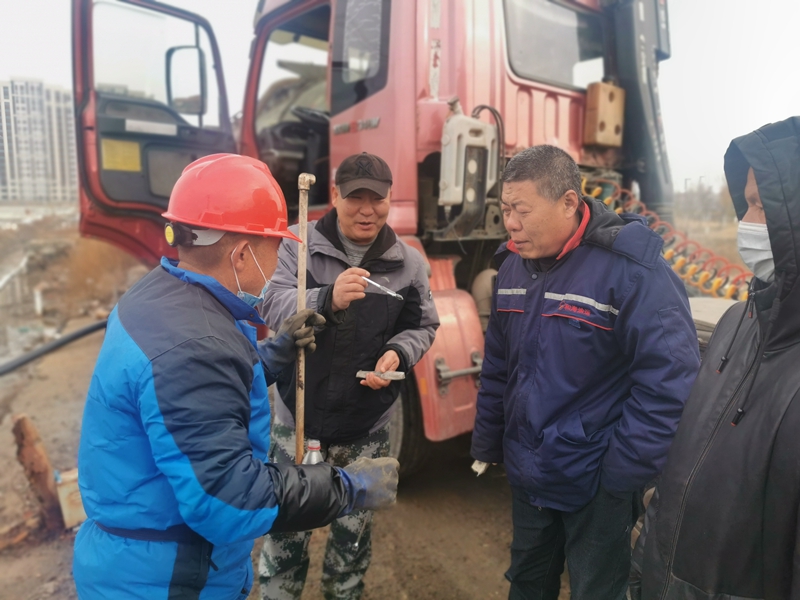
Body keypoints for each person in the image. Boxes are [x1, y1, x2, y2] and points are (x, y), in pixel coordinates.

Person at [73, 154, 399, 600]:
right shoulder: (195, 347)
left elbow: (196, 403)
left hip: (143, 555)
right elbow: (230, 499)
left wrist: (273, 355)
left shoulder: (161, 297)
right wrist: (347, 486)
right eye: (276, 248)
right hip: (167, 578)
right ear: (243, 254)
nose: (279, 261)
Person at [470, 145, 700, 600]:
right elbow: (498, 365)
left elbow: (670, 380)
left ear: (569, 203)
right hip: (528, 470)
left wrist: (620, 474)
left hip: (595, 481)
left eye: (521, 210)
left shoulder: (631, 271)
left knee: (597, 590)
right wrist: (489, 441)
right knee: (527, 582)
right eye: (505, 209)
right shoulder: (512, 267)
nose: (510, 223)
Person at [258, 152, 439, 600]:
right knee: (285, 537)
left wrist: (397, 354)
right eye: (355, 197)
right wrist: (325, 298)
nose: (367, 210)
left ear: (390, 199)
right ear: (335, 196)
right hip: (298, 422)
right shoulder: (298, 244)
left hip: (366, 429)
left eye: (377, 199)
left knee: (351, 546)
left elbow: (422, 326)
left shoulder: (408, 263)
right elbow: (271, 302)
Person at [633, 117, 800, 599]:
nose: (746, 223)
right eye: (746, 204)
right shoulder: (735, 323)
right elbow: (683, 465)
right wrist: (645, 566)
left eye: (761, 206)